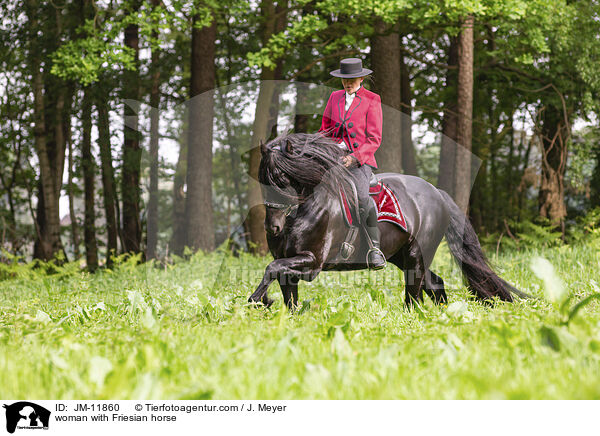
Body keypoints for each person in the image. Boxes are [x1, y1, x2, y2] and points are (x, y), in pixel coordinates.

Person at [319, 58, 386, 269]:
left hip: (360, 160)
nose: (347, 83)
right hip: (333, 156)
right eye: (344, 80)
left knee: (363, 198)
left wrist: (354, 157)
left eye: (351, 79)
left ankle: (374, 248)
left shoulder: (372, 99)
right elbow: (325, 128)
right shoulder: (334, 97)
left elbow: (374, 139)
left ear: (361, 78)